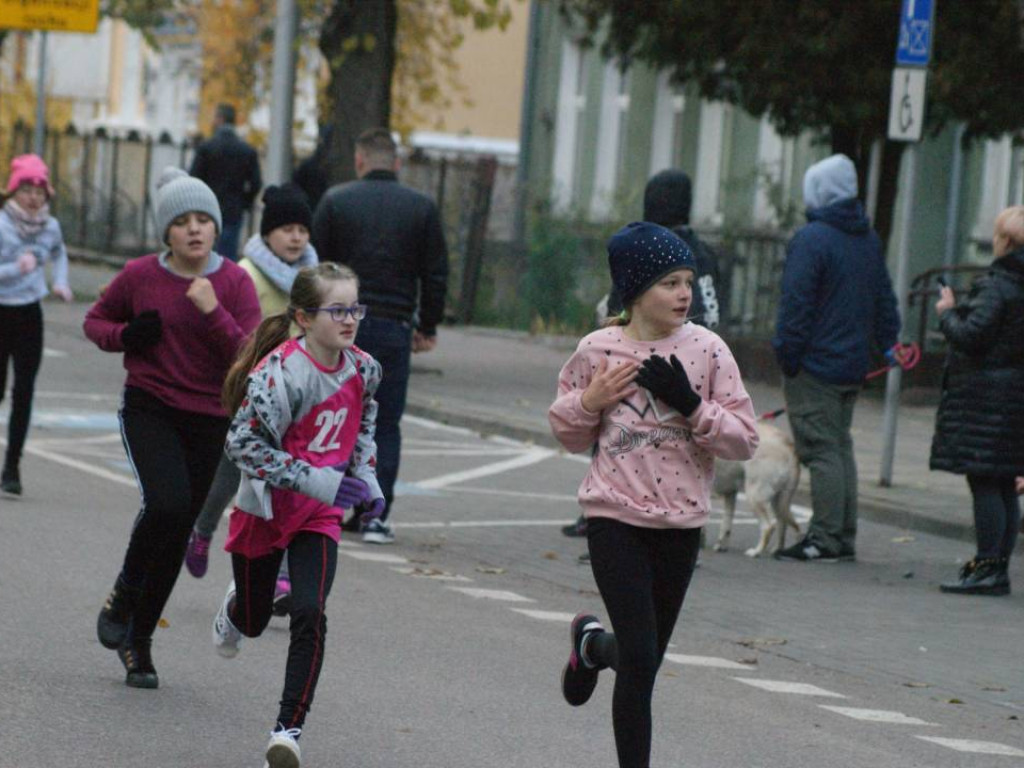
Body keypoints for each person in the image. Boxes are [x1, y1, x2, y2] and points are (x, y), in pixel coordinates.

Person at [549, 222, 758, 768]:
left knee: (642, 661)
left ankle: (592, 647)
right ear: (636, 290)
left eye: (688, 281)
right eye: (670, 283)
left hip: (680, 525)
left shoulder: (708, 349)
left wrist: (692, 405)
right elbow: (567, 433)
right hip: (613, 518)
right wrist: (590, 401)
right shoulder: (597, 348)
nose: (685, 293)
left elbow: (744, 440)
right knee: (640, 660)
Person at [85, 167, 262, 689]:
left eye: (204, 220)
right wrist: (127, 336)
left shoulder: (234, 282)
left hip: (210, 416)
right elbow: (95, 322)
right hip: (151, 406)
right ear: (167, 231)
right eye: (182, 221)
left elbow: (251, 356)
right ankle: (125, 589)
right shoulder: (140, 275)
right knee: (166, 503)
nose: (194, 229)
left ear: (216, 227)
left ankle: (138, 642)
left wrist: (212, 312)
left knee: (180, 525)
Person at [211, 262, 382, 768]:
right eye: (337, 310)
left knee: (310, 611)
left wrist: (367, 480)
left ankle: (287, 731)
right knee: (255, 620)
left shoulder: (365, 369)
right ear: (304, 318)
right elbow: (241, 446)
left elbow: (363, 428)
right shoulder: (277, 375)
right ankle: (236, 609)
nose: (349, 320)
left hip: (318, 516)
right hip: (264, 512)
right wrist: (317, 479)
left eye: (355, 309)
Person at [185, 184, 320, 617]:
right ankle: (203, 528)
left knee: (287, 486)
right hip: (252, 394)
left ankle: (280, 575)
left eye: (302, 229)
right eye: (286, 229)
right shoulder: (246, 274)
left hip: (298, 399)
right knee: (228, 478)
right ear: (267, 232)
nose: (296, 237)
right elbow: (225, 333)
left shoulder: (317, 282)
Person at [569, 168, 723, 539]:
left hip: (646, 351)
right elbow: (715, 307)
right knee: (683, 437)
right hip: (698, 359)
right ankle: (684, 518)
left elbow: (619, 303)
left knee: (622, 427)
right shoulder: (702, 252)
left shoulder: (648, 248)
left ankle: (608, 514)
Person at [312, 127, 449, 544]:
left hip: (340, 326)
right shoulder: (421, 207)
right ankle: (374, 515)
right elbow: (436, 273)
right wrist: (427, 325)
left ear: (359, 160)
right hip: (394, 325)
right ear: (397, 163)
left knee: (334, 417)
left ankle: (326, 509)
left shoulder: (336, 201)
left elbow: (316, 269)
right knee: (385, 423)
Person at [772, 153, 901, 563]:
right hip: (852, 364)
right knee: (839, 447)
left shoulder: (812, 240)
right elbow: (884, 298)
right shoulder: (866, 238)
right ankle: (843, 535)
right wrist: (888, 343)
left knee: (820, 449)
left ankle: (824, 538)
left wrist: (787, 354)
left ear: (818, 191)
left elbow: (796, 304)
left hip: (815, 364)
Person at [931, 205, 1024, 596]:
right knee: (1003, 481)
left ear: (1004, 240)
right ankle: (996, 567)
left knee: (985, 480)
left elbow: (972, 336)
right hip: (1014, 397)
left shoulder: (996, 286)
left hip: (987, 399)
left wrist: (947, 313)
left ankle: (987, 566)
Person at [0, 154, 73, 495]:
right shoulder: (2, 223)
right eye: (27, 190)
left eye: (39, 192)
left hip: (29, 314)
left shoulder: (50, 226)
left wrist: (60, 281)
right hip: (1, 310)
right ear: (13, 192)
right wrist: (17, 268)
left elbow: (59, 253)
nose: (33, 198)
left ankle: (11, 468)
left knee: (25, 391)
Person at [189, 103, 263, 261]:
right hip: (233, 209)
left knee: (203, 254)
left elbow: (193, 178)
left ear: (220, 119)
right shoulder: (246, 150)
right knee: (227, 256)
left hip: (206, 209)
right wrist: (244, 202)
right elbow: (256, 183)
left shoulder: (206, 148)